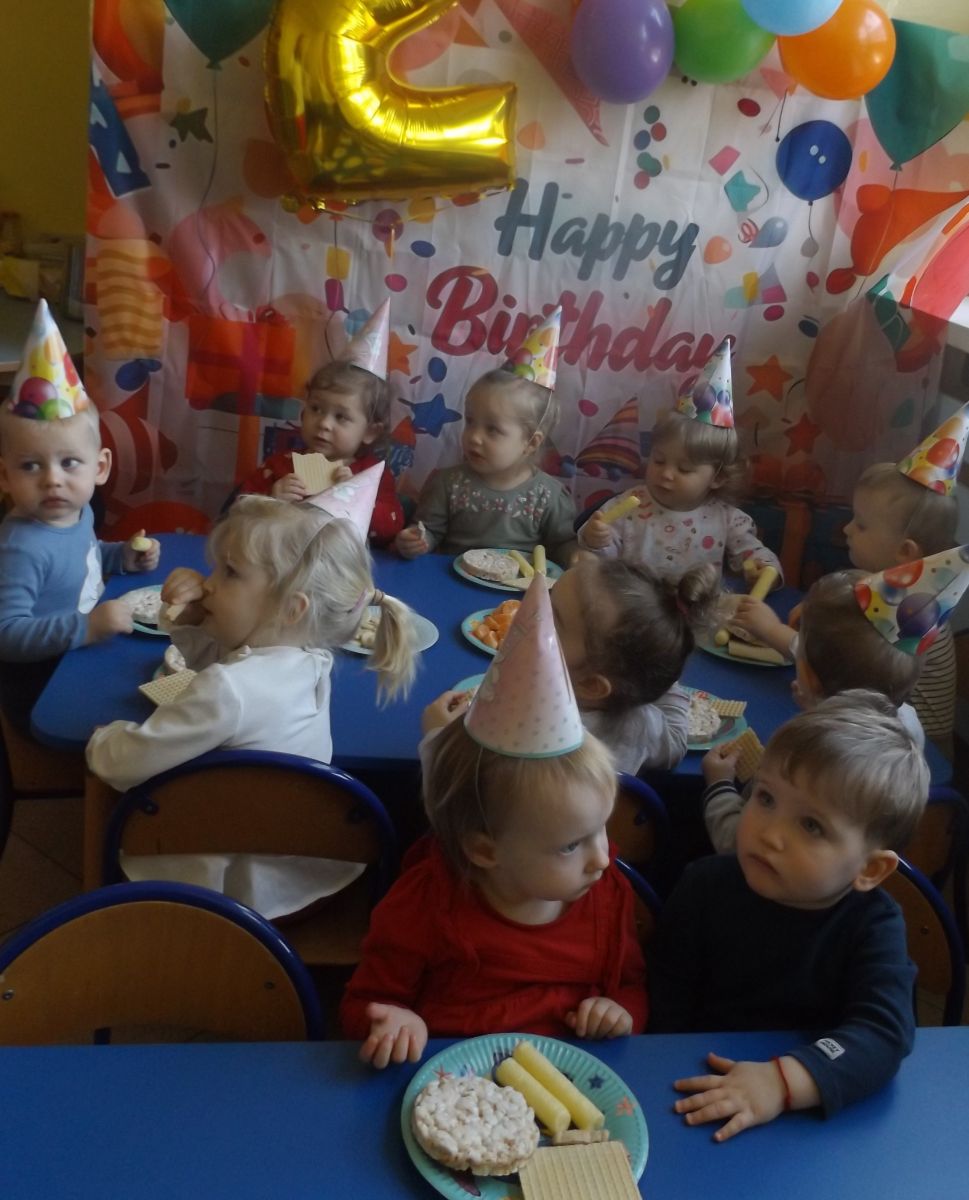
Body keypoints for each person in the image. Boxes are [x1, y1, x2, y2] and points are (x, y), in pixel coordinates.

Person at [340, 574, 647, 1067]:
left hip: (566, 1080)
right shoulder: (426, 904)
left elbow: (630, 985)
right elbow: (363, 1006)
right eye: (571, 845)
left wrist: (620, 1012)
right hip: (449, 1080)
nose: (601, 859)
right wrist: (394, 1023)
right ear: (485, 850)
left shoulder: (607, 895)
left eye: (601, 829)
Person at [650, 690, 928, 1141]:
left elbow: (883, 1033)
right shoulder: (703, 885)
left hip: (810, 1122)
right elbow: (664, 1013)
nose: (770, 834)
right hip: (699, 1101)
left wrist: (781, 1081)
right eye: (765, 798)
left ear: (870, 870)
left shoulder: (874, 925)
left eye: (811, 825)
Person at [735, 405, 967, 755]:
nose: (846, 529)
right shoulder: (891, 593)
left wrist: (769, 629)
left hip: (908, 755)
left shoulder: (911, 611)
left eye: (860, 524)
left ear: (904, 552)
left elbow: (839, 663)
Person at [701, 557, 969, 852]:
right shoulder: (909, 727)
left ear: (808, 677)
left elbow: (738, 842)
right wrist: (819, 705)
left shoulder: (797, 750)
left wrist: (720, 786)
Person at [0, 300, 159, 737]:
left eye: (69, 462)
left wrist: (120, 557)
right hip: (40, 682)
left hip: (83, 649)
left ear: (99, 467)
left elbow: (82, 557)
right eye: (31, 466)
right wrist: (85, 628)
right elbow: (7, 634)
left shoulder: (78, 510)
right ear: (5, 476)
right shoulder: (20, 548)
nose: (53, 479)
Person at [427, 556, 721, 777]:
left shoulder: (528, 726)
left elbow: (463, 799)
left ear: (590, 685)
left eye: (551, 619)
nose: (525, 613)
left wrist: (437, 736)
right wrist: (662, 668)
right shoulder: (643, 726)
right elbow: (676, 740)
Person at [577, 338, 780, 584]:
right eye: (659, 461)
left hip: (698, 604)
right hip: (634, 603)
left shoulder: (726, 519)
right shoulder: (626, 507)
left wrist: (762, 569)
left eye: (684, 469)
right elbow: (598, 561)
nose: (666, 474)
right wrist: (594, 539)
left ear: (718, 477)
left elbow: (756, 555)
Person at [395, 308, 576, 565]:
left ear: (531, 443)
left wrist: (576, 556)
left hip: (518, 587)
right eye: (470, 422)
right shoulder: (447, 484)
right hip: (449, 582)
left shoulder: (549, 496)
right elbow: (429, 531)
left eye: (492, 429)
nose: (474, 437)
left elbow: (561, 545)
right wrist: (416, 540)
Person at [237, 301, 404, 545]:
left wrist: (356, 495)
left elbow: (392, 526)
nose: (324, 423)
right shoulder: (280, 466)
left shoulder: (372, 476)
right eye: (316, 409)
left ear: (370, 431)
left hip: (340, 565)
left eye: (341, 417)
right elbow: (240, 510)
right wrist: (273, 499)